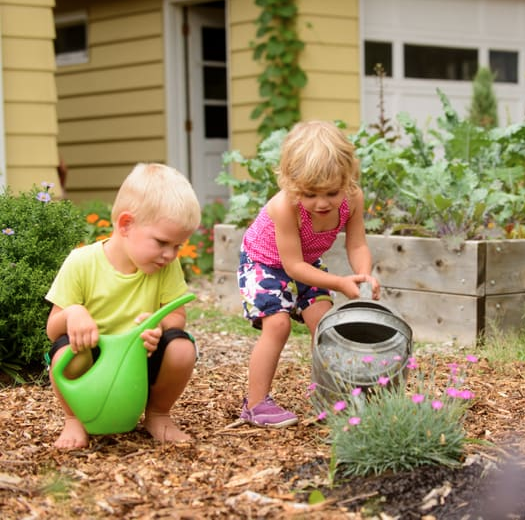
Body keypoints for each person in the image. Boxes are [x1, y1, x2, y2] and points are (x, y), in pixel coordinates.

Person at [45, 163, 202, 450]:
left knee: (182, 347)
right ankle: (74, 418)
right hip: (92, 359)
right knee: (67, 352)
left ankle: (158, 414)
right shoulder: (82, 263)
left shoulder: (165, 266)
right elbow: (52, 329)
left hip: (141, 357)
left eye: (178, 246)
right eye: (162, 242)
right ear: (126, 224)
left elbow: (177, 317)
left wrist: (159, 323)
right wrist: (74, 313)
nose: (170, 255)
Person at [237, 120, 380, 427]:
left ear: (347, 178)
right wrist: (340, 283)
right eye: (311, 194)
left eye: (331, 192)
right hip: (263, 263)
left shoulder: (352, 199)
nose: (322, 203)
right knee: (277, 325)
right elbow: (292, 267)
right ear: (291, 184)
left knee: (326, 325)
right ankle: (256, 404)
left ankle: (332, 396)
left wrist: (364, 275)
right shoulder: (284, 206)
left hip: (306, 262)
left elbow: (357, 245)